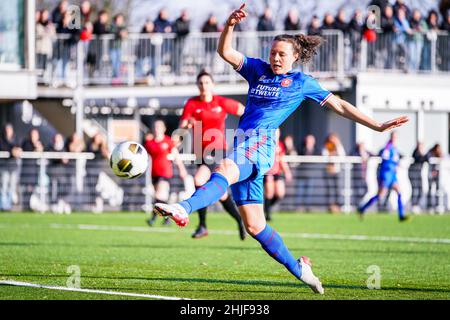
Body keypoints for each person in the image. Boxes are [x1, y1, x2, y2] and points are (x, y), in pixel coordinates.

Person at [153, 4, 408, 294]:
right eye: (273, 52)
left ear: (295, 57)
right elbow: (225, 52)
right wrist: (230, 26)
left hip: (260, 145)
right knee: (255, 227)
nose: (275, 57)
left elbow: (339, 104)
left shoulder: (301, 83)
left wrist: (376, 125)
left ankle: (181, 207)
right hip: (244, 145)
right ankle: (301, 269)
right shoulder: (257, 70)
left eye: (281, 54)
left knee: (223, 168)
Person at [179, 71, 246, 240]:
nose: (204, 86)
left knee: (199, 181)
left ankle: (202, 226)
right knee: (221, 193)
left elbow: (243, 111)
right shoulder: (192, 104)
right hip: (200, 153)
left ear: (212, 85)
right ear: (197, 86)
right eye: (201, 83)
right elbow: (182, 126)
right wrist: (185, 127)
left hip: (217, 150)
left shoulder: (220, 102)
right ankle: (240, 220)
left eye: (207, 82)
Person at [358, 132, 409, 221]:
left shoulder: (395, 148)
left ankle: (401, 215)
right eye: (393, 136)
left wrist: (397, 165)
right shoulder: (387, 147)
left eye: (396, 137)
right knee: (381, 195)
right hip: (386, 174)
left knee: (399, 191)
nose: (394, 138)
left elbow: (395, 160)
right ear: (391, 137)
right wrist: (393, 165)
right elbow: (385, 159)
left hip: (392, 175)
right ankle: (362, 208)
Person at [145, 120, 187, 226]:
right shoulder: (150, 143)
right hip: (154, 173)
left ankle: (152, 219)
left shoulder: (168, 141)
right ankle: (168, 217)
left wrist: (182, 169)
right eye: (155, 126)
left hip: (165, 172)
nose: (157, 128)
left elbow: (176, 155)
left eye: (159, 126)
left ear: (164, 129)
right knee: (160, 198)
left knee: (159, 196)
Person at [264, 129, 292, 221]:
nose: (276, 135)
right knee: (269, 193)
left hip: (277, 171)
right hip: (268, 172)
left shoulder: (280, 145)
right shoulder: (266, 144)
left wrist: (287, 171)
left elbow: (282, 159)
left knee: (280, 193)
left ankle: (265, 208)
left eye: (278, 133)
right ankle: (267, 214)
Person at [322, 133, 346, 213]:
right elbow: (324, 156)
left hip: (336, 171)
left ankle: (338, 206)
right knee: (329, 190)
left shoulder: (338, 146)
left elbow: (342, 155)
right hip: (328, 171)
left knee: (337, 190)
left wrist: (338, 144)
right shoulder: (326, 146)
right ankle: (330, 207)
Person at [0, 124, 22, 211]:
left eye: (9, 130)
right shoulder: (2, 139)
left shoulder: (16, 139)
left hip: (13, 167)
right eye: (7, 130)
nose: (8, 131)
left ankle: (9, 205)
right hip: (4, 167)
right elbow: (3, 147)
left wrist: (17, 150)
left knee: (12, 187)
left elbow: (19, 147)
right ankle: (3, 205)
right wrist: (11, 150)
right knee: (4, 186)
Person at [409, 142, 427, 213]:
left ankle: (417, 205)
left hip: (419, 173)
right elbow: (419, 159)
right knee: (414, 189)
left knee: (420, 189)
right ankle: (413, 205)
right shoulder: (415, 153)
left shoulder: (423, 153)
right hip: (413, 173)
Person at [426, 144, 443, 213]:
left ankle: (437, 205)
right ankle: (429, 206)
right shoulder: (430, 153)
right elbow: (428, 160)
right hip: (430, 174)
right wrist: (433, 171)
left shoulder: (439, 154)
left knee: (438, 191)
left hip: (437, 175)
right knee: (430, 190)